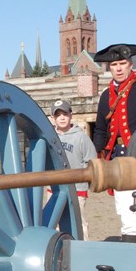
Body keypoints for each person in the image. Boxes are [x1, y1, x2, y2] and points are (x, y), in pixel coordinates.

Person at [93, 43, 136, 242]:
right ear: (109, 68)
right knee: (124, 207)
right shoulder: (106, 95)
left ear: (131, 64)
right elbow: (100, 129)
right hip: (118, 157)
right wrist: (97, 157)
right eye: (114, 65)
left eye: (122, 63)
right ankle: (129, 239)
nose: (119, 68)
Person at [50, 99, 97, 239]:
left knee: (78, 220)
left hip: (77, 187)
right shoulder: (50, 138)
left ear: (71, 114)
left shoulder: (81, 137)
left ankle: (83, 247)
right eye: (58, 115)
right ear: (53, 118)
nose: (62, 118)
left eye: (64, 113)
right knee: (55, 221)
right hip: (54, 187)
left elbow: (91, 161)